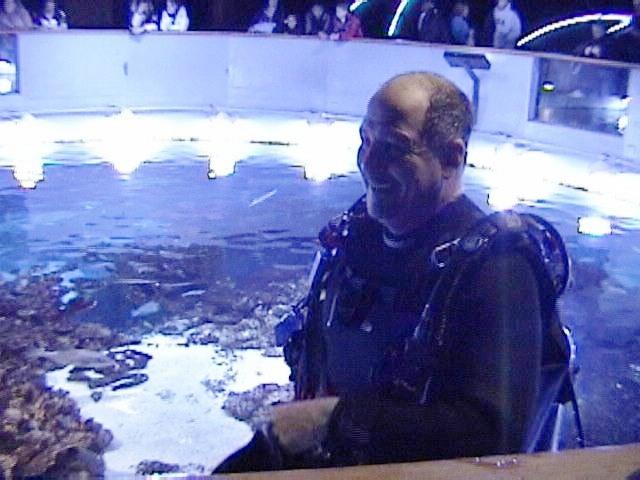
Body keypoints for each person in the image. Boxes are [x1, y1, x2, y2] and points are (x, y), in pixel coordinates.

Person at [214, 72, 578, 472]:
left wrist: (330, 420)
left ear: (451, 158)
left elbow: (495, 434)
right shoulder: (357, 234)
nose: (368, 162)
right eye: (365, 140)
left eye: (394, 147)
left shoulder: (499, 271)